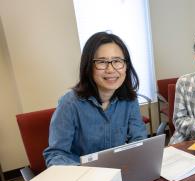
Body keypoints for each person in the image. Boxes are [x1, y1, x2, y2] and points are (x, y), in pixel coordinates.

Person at [44, 32, 147, 166]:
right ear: (88, 67)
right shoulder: (69, 104)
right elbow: (56, 155)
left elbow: (138, 140)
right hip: (83, 177)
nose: (110, 69)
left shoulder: (129, 100)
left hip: (120, 171)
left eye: (117, 61)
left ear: (126, 66)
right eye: (102, 62)